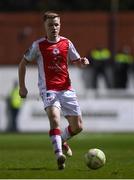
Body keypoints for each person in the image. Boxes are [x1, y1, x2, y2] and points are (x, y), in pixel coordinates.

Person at [18, 11, 89, 170]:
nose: (54, 28)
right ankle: (59, 155)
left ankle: (61, 139)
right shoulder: (38, 45)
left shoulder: (66, 43)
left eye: (56, 24)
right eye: (50, 25)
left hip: (66, 89)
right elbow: (23, 63)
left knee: (78, 127)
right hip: (48, 90)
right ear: (45, 26)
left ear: (60, 25)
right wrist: (22, 86)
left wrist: (83, 62)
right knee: (54, 119)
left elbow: (77, 61)